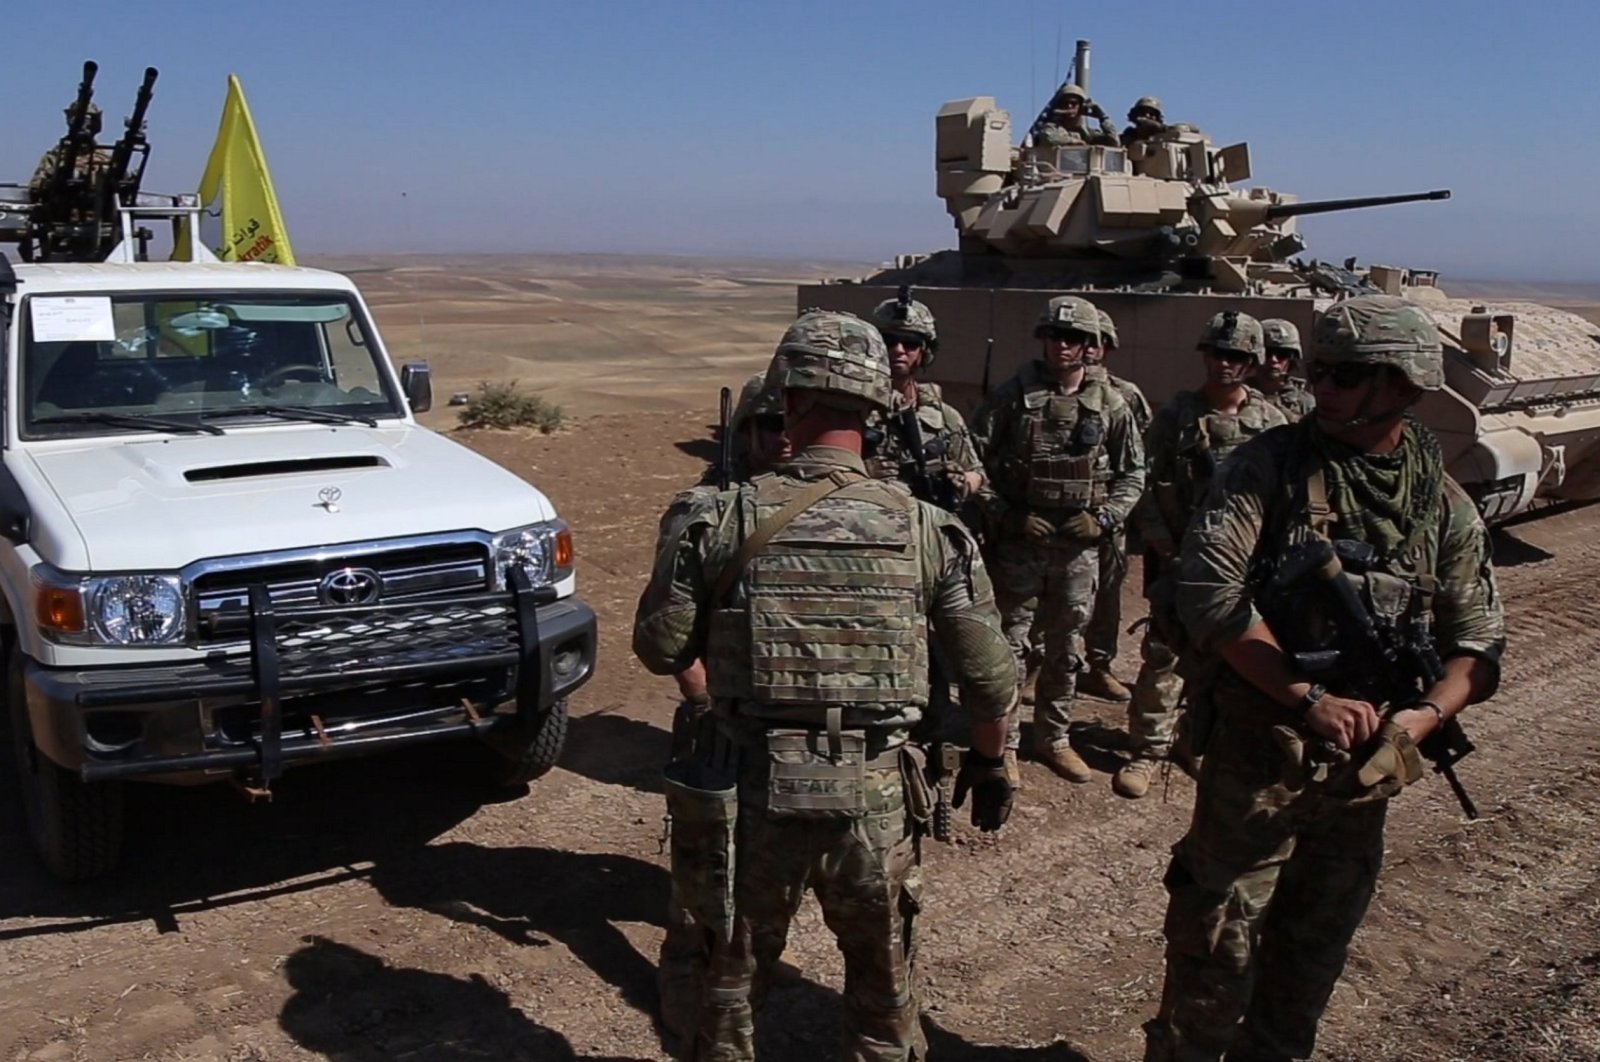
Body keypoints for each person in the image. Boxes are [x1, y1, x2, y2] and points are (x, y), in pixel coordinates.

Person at [634, 310, 1018, 1062]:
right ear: (876, 407)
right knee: (883, 996)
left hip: (750, 794)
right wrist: (991, 761)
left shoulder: (712, 516)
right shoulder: (930, 529)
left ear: (791, 397)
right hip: (875, 798)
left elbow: (660, 648)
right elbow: (990, 679)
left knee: (731, 998)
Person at [1142, 294, 1505, 1060]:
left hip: (1365, 770)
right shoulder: (1264, 468)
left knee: (1308, 963)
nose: (1324, 385)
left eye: (1347, 373)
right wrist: (1306, 696)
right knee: (1216, 955)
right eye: (1320, 369)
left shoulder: (1439, 501)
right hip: (1259, 757)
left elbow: (1477, 642)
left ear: (1404, 386)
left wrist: (1423, 719)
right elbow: (1209, 594)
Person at [652, 370, 790, 1043]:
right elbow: (669, 634)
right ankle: (683, 965)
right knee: (701, 868)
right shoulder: (705, 511)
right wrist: (704, 697)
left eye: (791, 425)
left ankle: (747, 973)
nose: (782, 440)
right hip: (716, 719)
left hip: (785, 727)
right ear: (746, 434)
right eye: (767, 426)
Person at [971, 296, 1145, 784]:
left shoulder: (1111, 403)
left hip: (1078, 547)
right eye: (1054, 335)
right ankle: (1002, 743)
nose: (1063, 346)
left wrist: (1105, 519)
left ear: (1091, 346)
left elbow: (1134, 473)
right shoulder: (1010, 397)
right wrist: (1007, 515)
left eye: (1074, 338)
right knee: (1010, 647)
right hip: (1021, 546)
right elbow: (971, 465)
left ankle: (1054, 737)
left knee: (1066, 647)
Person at [1118, 311, 1287, 800]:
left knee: (1236, 658)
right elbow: (1144, 484)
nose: (1224, 364)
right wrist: (1163, 544)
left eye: (1235, 356)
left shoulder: (1272, 424)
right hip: (1180, 560)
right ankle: (1148, 749)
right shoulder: (1174, 417)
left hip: (1246, 567)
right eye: (1216, 353)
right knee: (1164, 655)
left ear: (1252, 362)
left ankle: (1197, 742)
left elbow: (1286, 496)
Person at [1081, 306, 1153, 704]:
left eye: (1097, 342)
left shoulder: (1125, 396)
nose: (1089, 349)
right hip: (1056, 515)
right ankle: (1039, 665)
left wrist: (1119, 510)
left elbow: (1141, 455)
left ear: (1107, 348)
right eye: (1081, 340)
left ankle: (1099, 665)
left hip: (1108, 513)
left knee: (1107, 593)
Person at [864, 293, 986, 506]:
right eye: (889, 341)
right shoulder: (854, 410)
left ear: (924, 351)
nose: (898, 350)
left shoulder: (944, 416)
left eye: (910, 343)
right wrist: (862, 472)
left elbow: (977, 473)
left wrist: (962, 481)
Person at [1257, 318, 1317, 424]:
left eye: (1282, 354)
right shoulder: (1238, 395)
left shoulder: (1305, 403)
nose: (1273, 360)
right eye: (1267, 353)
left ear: (1292, 359)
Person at [1031, 83, 1121, 148]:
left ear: (1081, 107)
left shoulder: (1085, 133)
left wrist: (1103, 117)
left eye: (1073, 103)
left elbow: (1114, 141)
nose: (1069, 106)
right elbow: (1047, 138)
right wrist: (1073, 142)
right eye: (1065, 103)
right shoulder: (1051, 130)